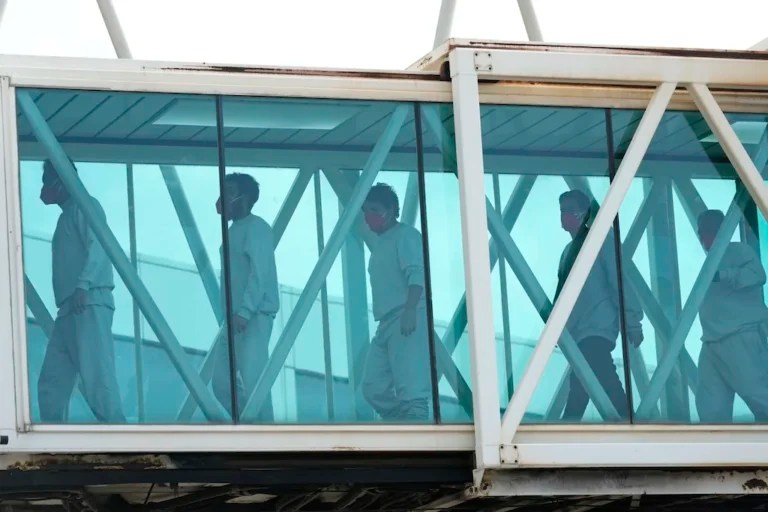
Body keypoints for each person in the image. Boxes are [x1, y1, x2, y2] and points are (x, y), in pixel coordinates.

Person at [37, 159, 125, 423]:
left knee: (97, 377)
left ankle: (120, 440)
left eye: (46, 181)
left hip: (87, 301)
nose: (42, 189)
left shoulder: (86, 206)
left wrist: (83, 285)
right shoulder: (68, 214)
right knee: (51, 382)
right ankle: (51, 440)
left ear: (60, 182)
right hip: (69, 307)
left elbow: (98, 245)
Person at [556, 189, 644, 421]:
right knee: (583, 383)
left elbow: (619, 281)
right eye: (562, 211)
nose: (564, 216)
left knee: (600, 376)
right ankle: (572, 428)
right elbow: (562, 294)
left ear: (582, 213)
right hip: (579, 332)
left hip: (596, 327)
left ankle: (627, 421)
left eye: (568, 210)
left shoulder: (599, 241)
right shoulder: (567, 251)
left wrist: (633, 322)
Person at [360, 183, 432, 421]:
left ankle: (420, 440)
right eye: (365, 211)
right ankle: (402, 423)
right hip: (385, 321)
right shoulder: (381, 243)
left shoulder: (406, 235)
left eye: (374, 209)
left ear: (390, 210)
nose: (368, 216)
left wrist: (411, 309)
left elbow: (416, 274)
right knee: (372, 387)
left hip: (405, 316)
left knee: (411, 389)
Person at [213, 173, 279, 422]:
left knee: (254, 381)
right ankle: (246, 427)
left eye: (230, 191)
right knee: (221, 382)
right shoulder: (233, 231)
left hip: (252, 317)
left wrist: (245, 311)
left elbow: (259, 273)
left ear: (246, 197)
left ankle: (267, 440)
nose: (223, 198)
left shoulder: (257, 228)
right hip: (234, 319)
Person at [695, 209, 768, 422]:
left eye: (706, 231)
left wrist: (725, 275)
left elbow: (758, 275)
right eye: (700, 233)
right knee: (710, 407)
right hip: (712, 340)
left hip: (740, 335)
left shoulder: (738, 251)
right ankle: (714, 452)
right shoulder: (711, 261)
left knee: (758, 394)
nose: (702, 237)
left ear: (719, 230)